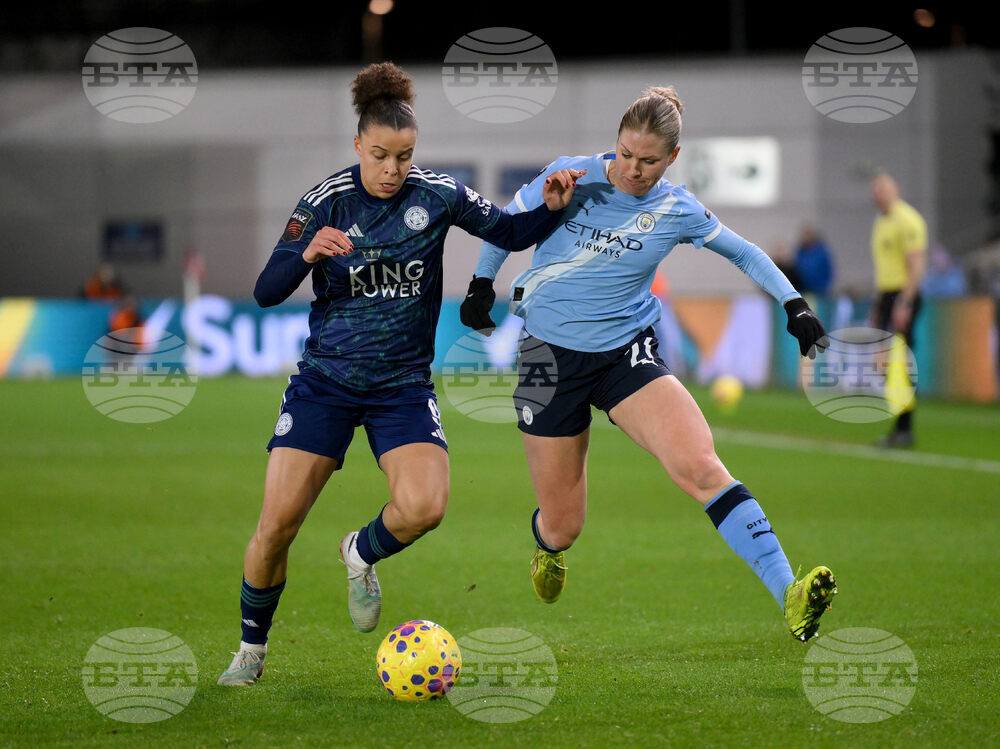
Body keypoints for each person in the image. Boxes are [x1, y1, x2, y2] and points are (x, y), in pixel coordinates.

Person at [217, 62, 582, 686]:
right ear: (359, 145)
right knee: (275, 528)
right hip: (326, 383)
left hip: (402, 386)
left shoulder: (437, 195)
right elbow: (265, 291)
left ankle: (359, 552)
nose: (393, 169)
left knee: (425, 506)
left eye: (405, 156)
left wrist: (548, 210)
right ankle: (251, 651)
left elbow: (510, 230)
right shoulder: (325, 201)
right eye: (381, 155)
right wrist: (306, 254)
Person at [460, 86, 837, 643]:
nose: (633, 170)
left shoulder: (677, 209)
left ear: (672, 159)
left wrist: (794, 302)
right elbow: (504, 222)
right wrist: (479, 283)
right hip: (545, 355)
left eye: (649, 161)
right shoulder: (570, 175)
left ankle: (789, 592)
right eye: (626, 154)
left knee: (702, 466)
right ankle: (546, 547)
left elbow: (746, 252)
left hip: (625, 354)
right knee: (564, 525)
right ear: (616, 142)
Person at [869, 171, 927, 448]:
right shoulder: (881, 222)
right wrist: (878, 306)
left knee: (900, 364)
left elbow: (916, 265)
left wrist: (905, 302)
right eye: (875, 190)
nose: (877, 194)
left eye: (882, 189)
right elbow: (884, 269)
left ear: (895, 189)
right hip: (887, 297)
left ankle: (905, 428)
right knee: (883, 364)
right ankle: (900, 424)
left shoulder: (908, 220)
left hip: (903, 295)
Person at [793, 224, 834, 295]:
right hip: (803, 290)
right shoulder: (800, 252)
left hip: (820, 291)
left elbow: (828, 271)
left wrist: (824, 286)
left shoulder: (822, 252)